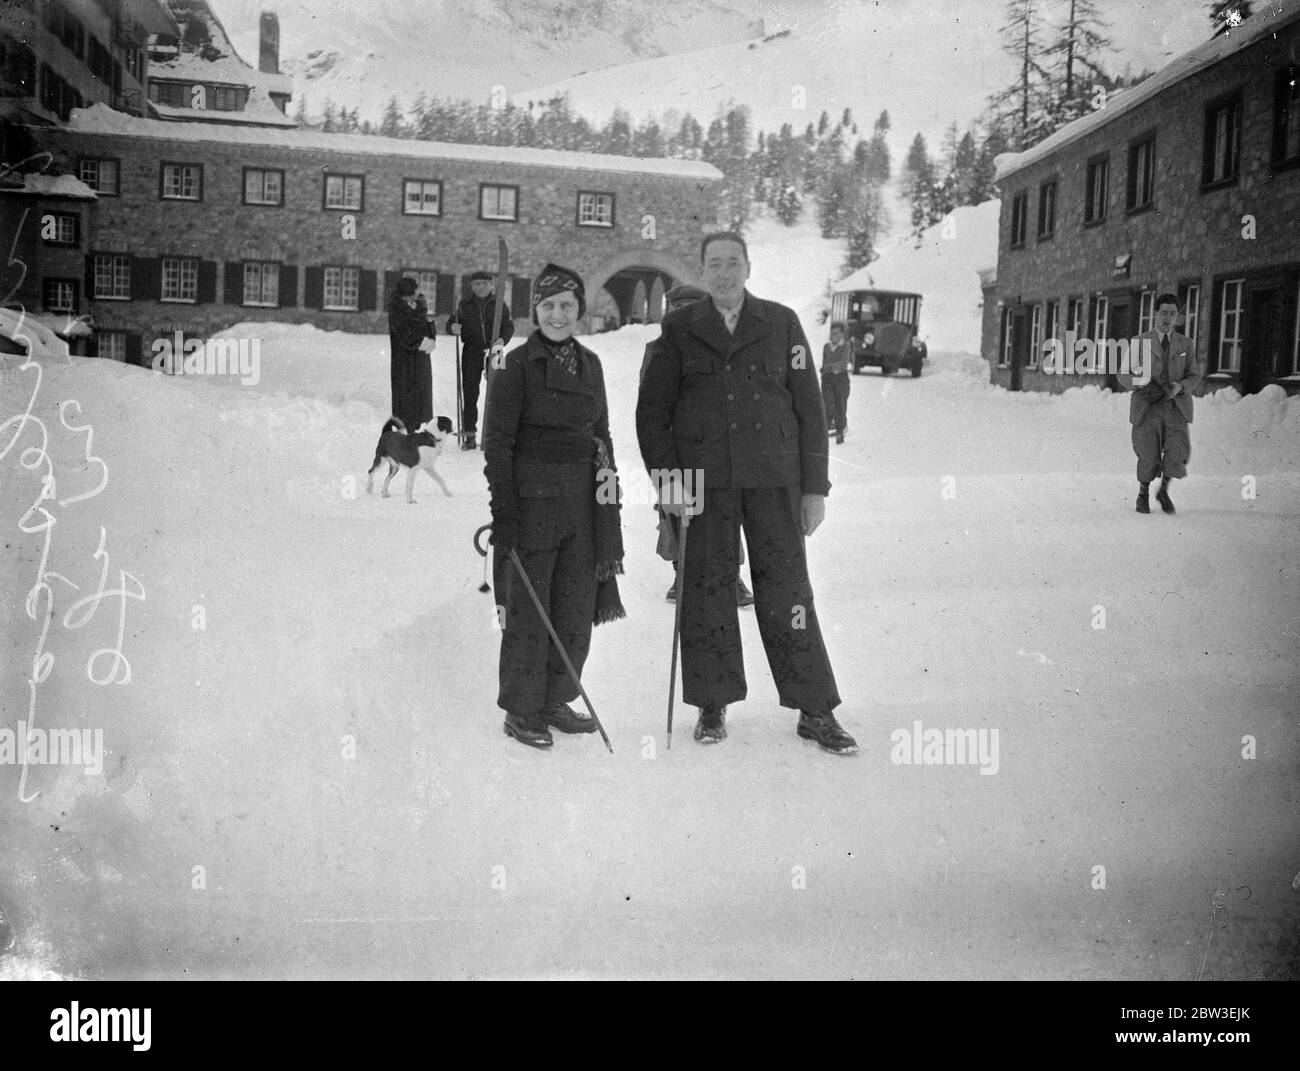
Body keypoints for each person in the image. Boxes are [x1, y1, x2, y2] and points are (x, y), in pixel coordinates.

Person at [636, 231, 856, 755]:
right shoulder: (680, 328)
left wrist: (814, 489)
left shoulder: (782, 323)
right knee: (707, 592)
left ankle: (815, 708)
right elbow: (653, 412)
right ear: (703, 270)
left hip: (773, 481)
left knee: (788, 593)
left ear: (749, 267)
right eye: (714, 264)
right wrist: (668, 480)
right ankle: (712, 704)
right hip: (701, 484)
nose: (724, 273)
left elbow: (810, 409)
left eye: (733, 262)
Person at [483, 264, 624, 749]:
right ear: (535, 313)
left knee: (574, 608)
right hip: (532, 507)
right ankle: (522, 710)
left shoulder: (591, 365)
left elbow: (602, 435)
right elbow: (497, 445)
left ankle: (555, 697)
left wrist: (609, 501)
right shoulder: (516, 367)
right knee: (529, 611)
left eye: (566, 306)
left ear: (579, 311)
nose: (557, 314)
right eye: (548, 307)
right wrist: (505, 514)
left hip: (584, 508)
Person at [639, 283, 754, 607]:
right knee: (674, 512)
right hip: (673, 448)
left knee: (725, 513)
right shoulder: (655, 350)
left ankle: (731, 579)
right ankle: (682, 574)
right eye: (678, 311)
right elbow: (649, 408)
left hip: (715, 448)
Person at [1118, 292, 1204, 514]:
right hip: (1148, 407)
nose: (1168, 318)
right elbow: (1123, 375)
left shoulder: (1185, 343)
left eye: (1173, 314)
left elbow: (1195, 376)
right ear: (1155, 313)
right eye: (1164, 312)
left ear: (1178, 317)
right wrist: (1142, 384)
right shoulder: (1139, 342)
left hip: (1175, 406)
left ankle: (1164, 489)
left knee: (1177, 450)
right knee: (1149, 452)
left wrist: (1180, 387)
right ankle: (1143, 493)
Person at [449, 271, 513, 450]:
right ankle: (470, 435)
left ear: (492, 285)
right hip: (472, 350)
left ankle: (496, 435)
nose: (481, 287)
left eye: (484, 283)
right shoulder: (464, 305)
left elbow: (508, 326)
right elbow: (451, 323)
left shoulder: (500, 304)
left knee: (499, 394)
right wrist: (452, 327)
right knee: (470, 394)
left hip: (497, 350)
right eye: (477, 283)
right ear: (471, 286)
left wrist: (503, 339)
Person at [387, 277, 435, 430]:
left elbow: (425, 324)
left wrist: (431, 338)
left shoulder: (419, 306)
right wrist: (419, 342)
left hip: (420, 357)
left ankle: (416, 425)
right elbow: (402, 332)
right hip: (404, 358)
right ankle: (406, 428)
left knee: (420, 392)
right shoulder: (397, 308)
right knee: (405, 393)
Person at [821, 322, 852, 444]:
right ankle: (827, 427)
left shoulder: (846, 347)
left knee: (840, 404)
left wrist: (828, 367)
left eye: (837, 333)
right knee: (828, 403)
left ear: (842, 334)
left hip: (841, 379)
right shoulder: (826, 347)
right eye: (832, 333)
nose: (833, 335)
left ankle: (840, 431)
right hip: (827, 379)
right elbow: (824, 364)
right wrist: (827, 369)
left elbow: (843, 364)